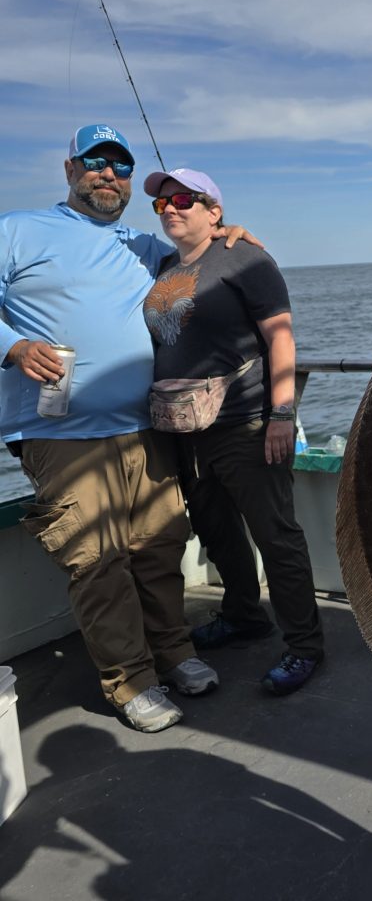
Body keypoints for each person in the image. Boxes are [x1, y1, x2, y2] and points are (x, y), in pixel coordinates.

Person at [0, 124, 256, 733]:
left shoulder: (143, 245)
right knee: (97, 559)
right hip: (60, 434)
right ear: (69, 169)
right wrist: (12, 346)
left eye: (118, 165)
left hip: (145, 426)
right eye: (94, 162)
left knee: (159, 546)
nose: (107, 174)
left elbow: (199, 253)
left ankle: (175, 654)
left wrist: (233, 238)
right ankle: (132, 681)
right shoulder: (18, 229)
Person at [142, 167, 324, 695]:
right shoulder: (162, 265)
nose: (171, 208)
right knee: (217, 532)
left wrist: (281, 416)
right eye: (161, 204)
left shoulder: (247, 258)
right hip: (185, 429)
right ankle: (245, 616)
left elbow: (281, 339)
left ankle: (305, 645)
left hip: (245, 422)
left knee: (276, 537)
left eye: (183, 199)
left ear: (214, 211)